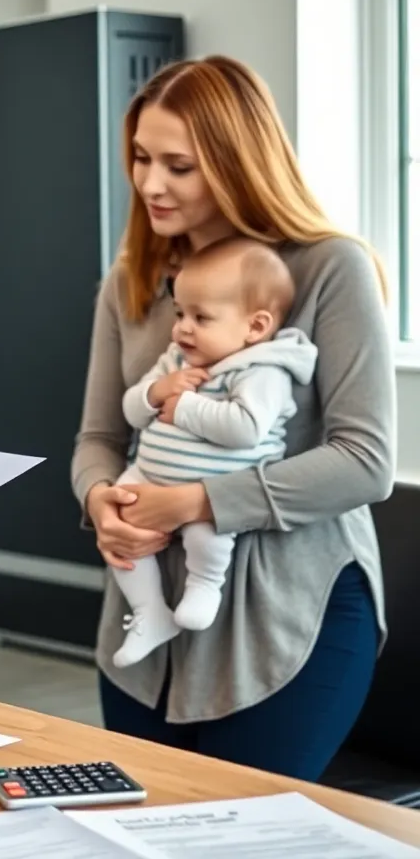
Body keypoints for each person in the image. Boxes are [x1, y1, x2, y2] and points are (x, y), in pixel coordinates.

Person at [71, 55, 395, 781]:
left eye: (179, 166)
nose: (150, 183)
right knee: (141, 821)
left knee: (244, 823)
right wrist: (100, 502)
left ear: (236, 163)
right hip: (146, 626)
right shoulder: (130, 281)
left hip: (290, 615)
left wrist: (196, 502)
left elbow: (365, 461)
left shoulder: (329, 268)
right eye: (141, 158)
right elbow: (99, 438)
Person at [110, 237, 318, 668]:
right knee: (121, 532)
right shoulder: (175, 361)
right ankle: (150, 612)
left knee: (207, 538)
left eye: (201, 317)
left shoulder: (263, 370)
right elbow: (131, 412)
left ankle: (205, 585)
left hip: (215, 490)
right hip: (147, 475)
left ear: (255, 327)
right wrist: (155, 392)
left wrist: (184, 408)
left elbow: (245, 429)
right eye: (180, 313)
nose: (183, 328)